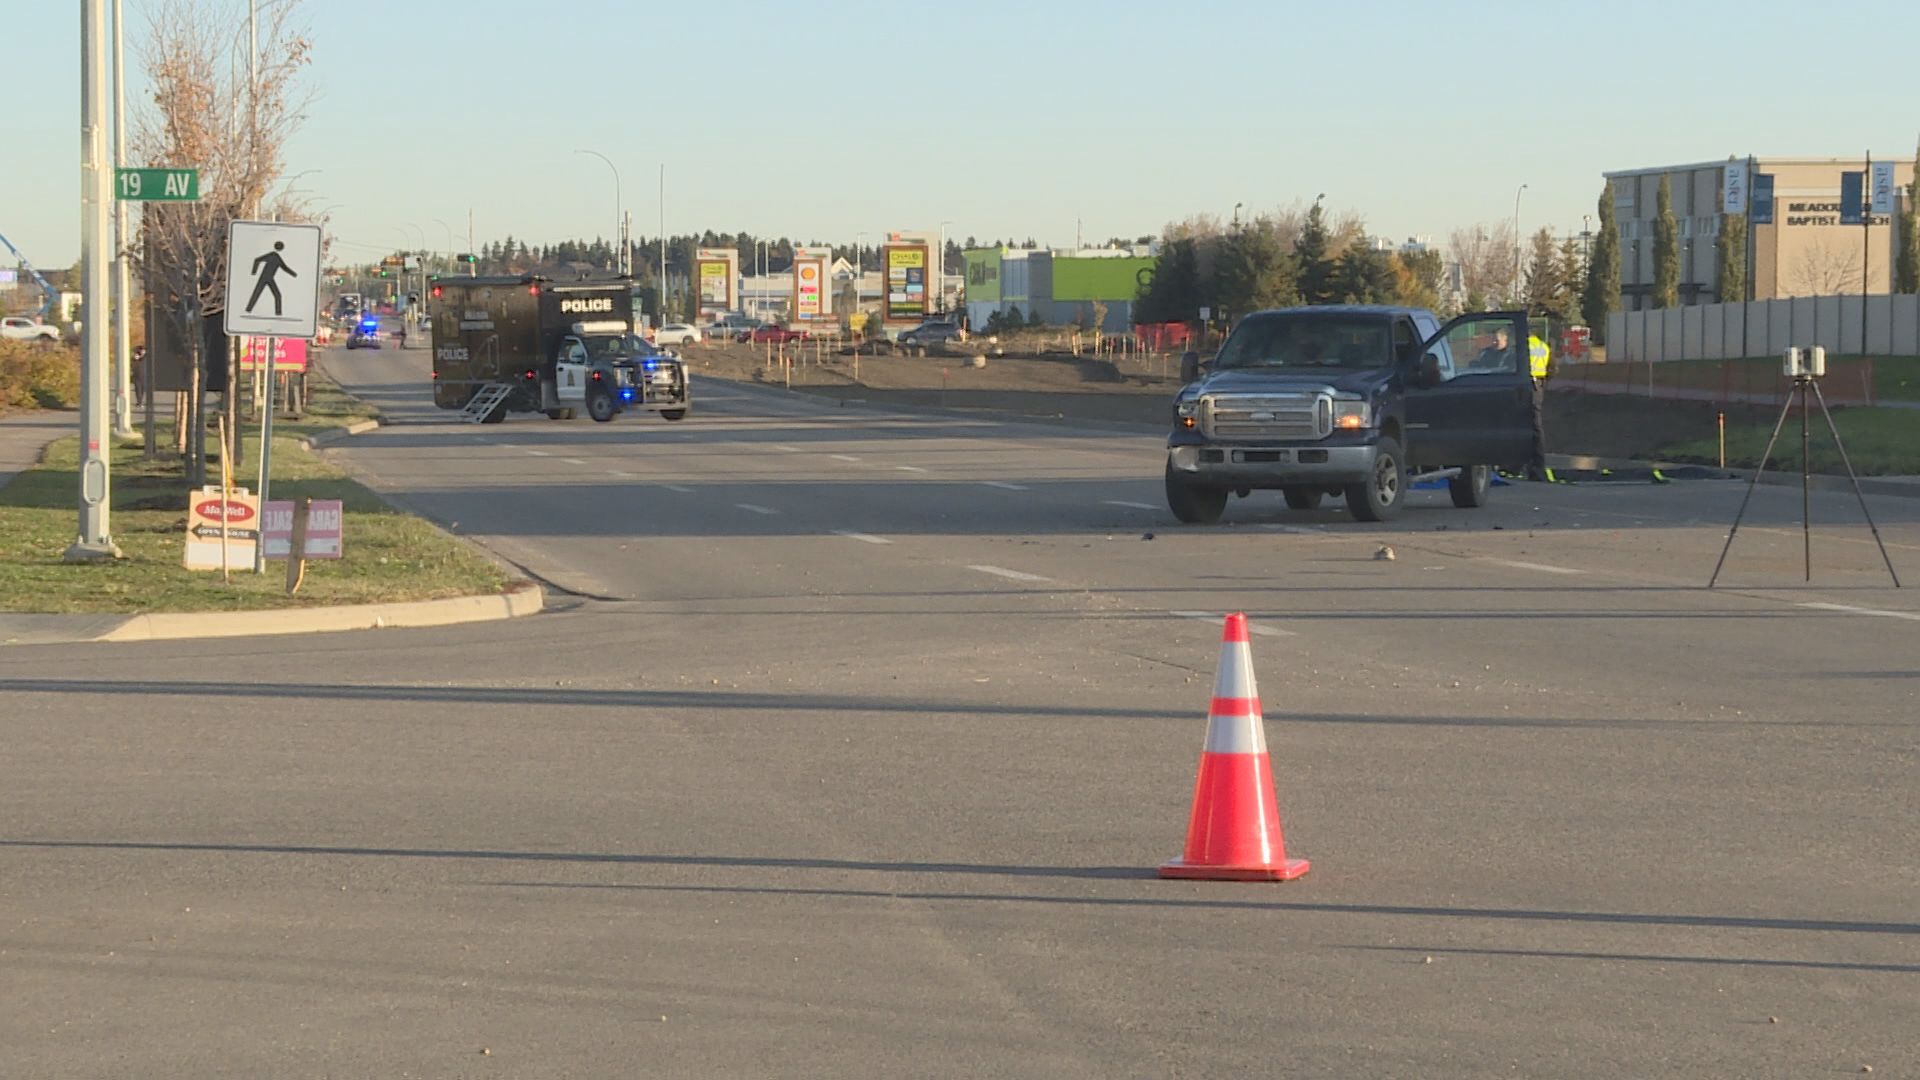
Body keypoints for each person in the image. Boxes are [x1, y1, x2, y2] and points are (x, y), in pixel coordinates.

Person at [1526, 332, 1554, 481]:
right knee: (1536, 426)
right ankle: (1536, 466)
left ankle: (1532, 466)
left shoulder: (1525, 346)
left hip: (1527, 384)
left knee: (1531, 426)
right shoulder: (1543, 346)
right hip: (1539, 385)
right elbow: (1551, 369)